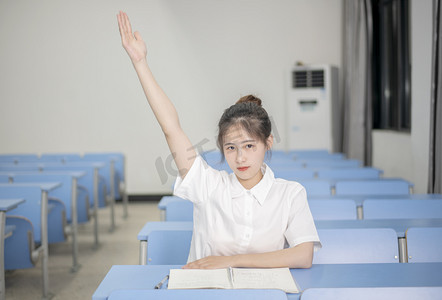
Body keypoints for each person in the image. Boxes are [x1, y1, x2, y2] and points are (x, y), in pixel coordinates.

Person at [117, 11, 321, 269]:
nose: (240, 157)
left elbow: (303, 256)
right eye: (231, 148)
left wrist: (229, 262)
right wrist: (140, 63)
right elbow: (171, 128)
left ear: (268, 142)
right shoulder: (208, 185)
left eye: (249, 146)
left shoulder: (290, 193)